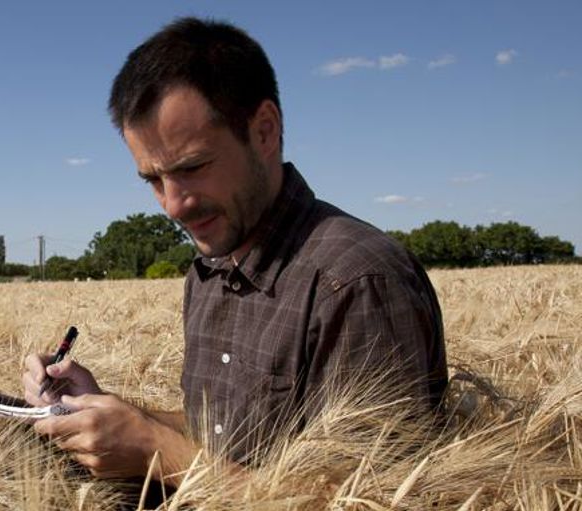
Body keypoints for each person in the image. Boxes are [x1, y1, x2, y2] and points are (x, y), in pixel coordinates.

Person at [22, 17, 447, 486]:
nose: (173, 205)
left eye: (193, 167)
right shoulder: (209, 272)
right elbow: (221, 437)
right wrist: (102, 411)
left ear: (264, 131)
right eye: (153, 180)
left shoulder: (356, 282)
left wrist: (156, 453)